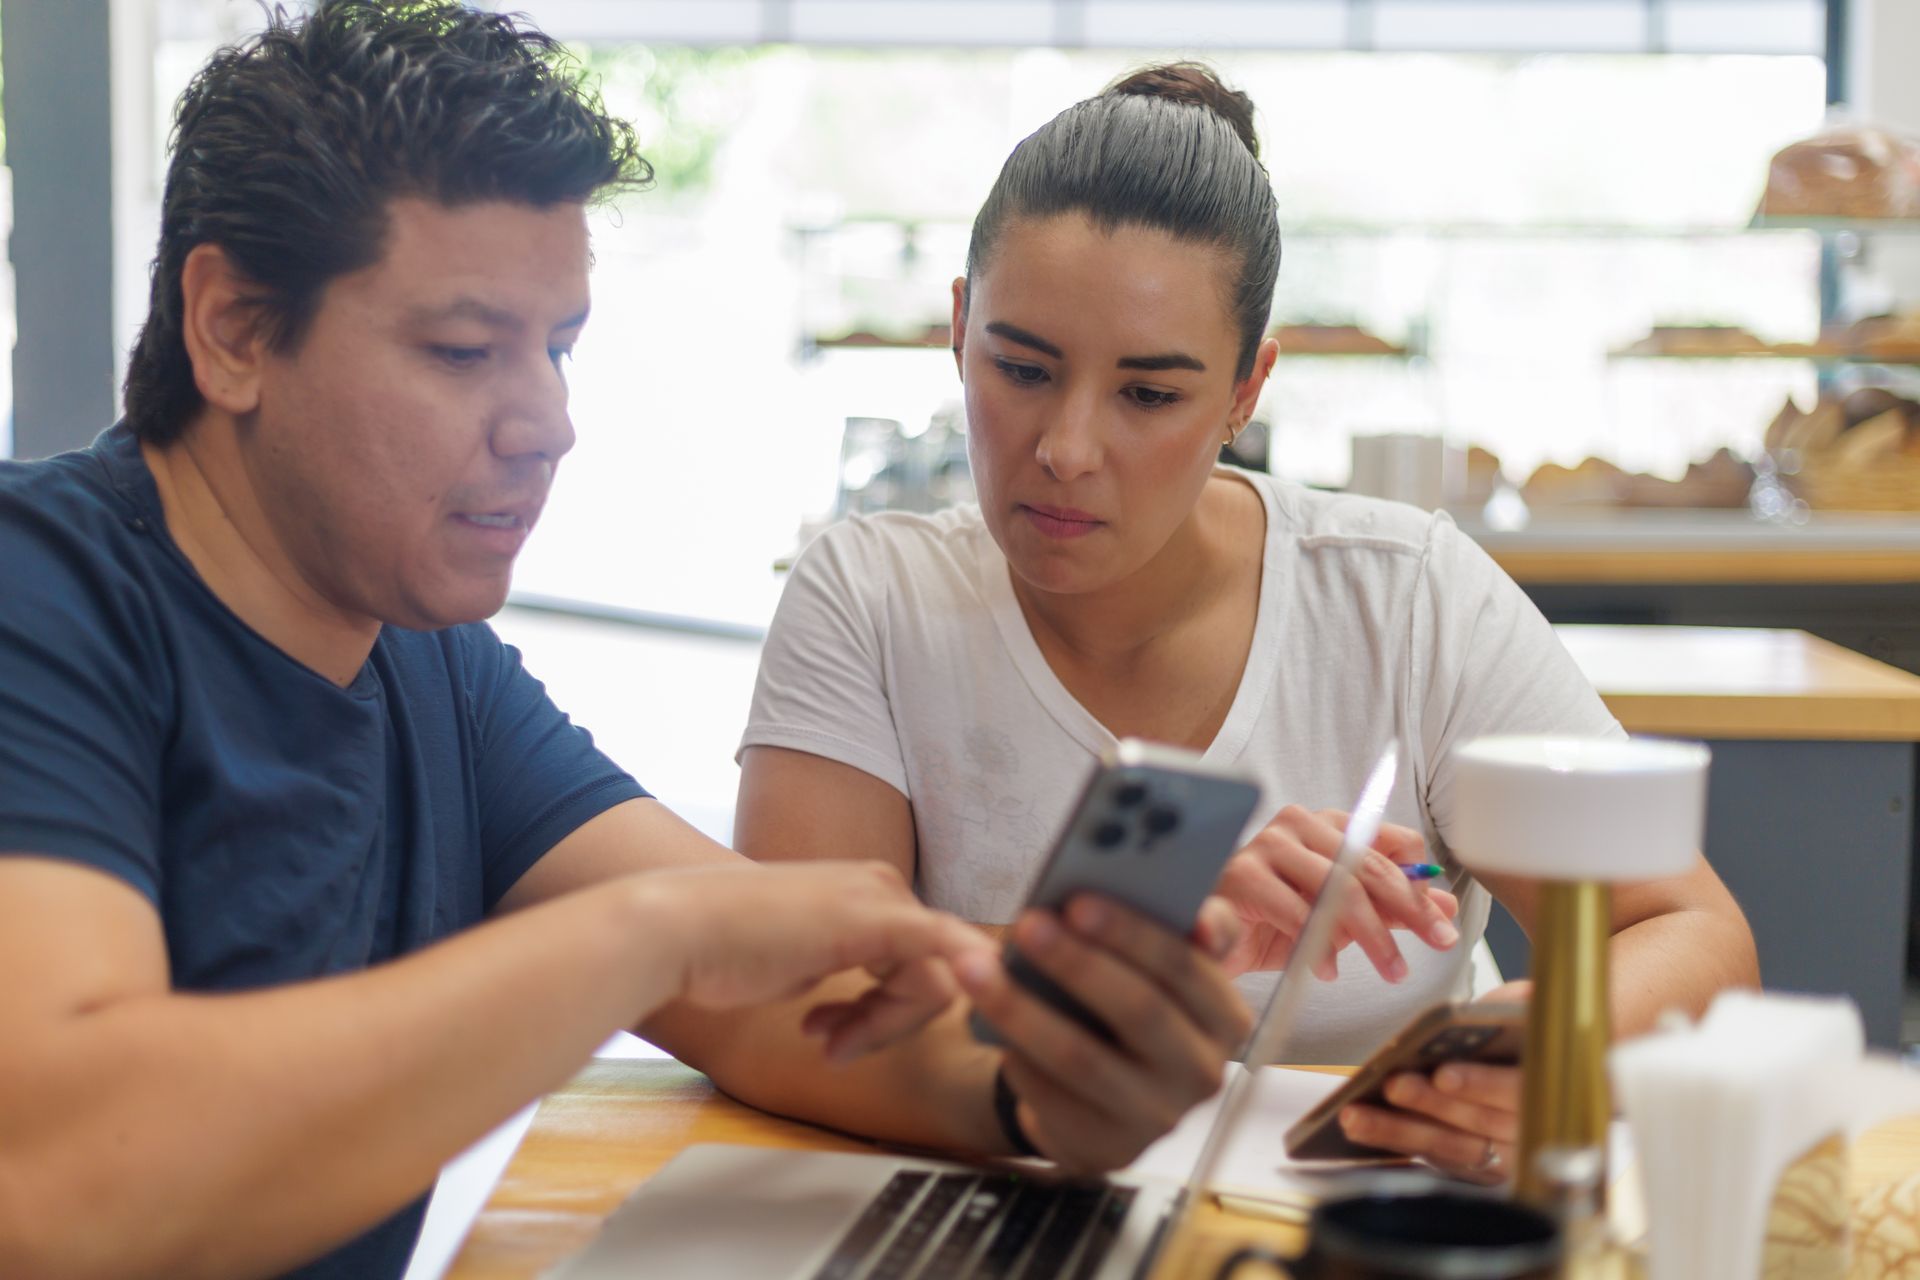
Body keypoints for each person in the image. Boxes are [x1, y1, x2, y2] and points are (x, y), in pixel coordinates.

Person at [0, 8, 1250, 1278]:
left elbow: (772, 1004)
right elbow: (53, 1165)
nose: (548, 423)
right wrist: (646, 939)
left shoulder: (424, 665)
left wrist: (1040, 1082)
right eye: (463, 350)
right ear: (232, 327)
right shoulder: (39, 602)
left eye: (557, 349)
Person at [725, 63, 1759, 1182]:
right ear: (960, 326)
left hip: (1368, 1223)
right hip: (1014, 1204)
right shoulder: (870, 597)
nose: (1068, 447)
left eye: (1150, 395)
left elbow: (1693, 934)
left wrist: (1543, 1045)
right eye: (1021, 366)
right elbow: (796, 988)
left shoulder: (1404, 596)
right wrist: (1136, 937)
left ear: (1247, 389)